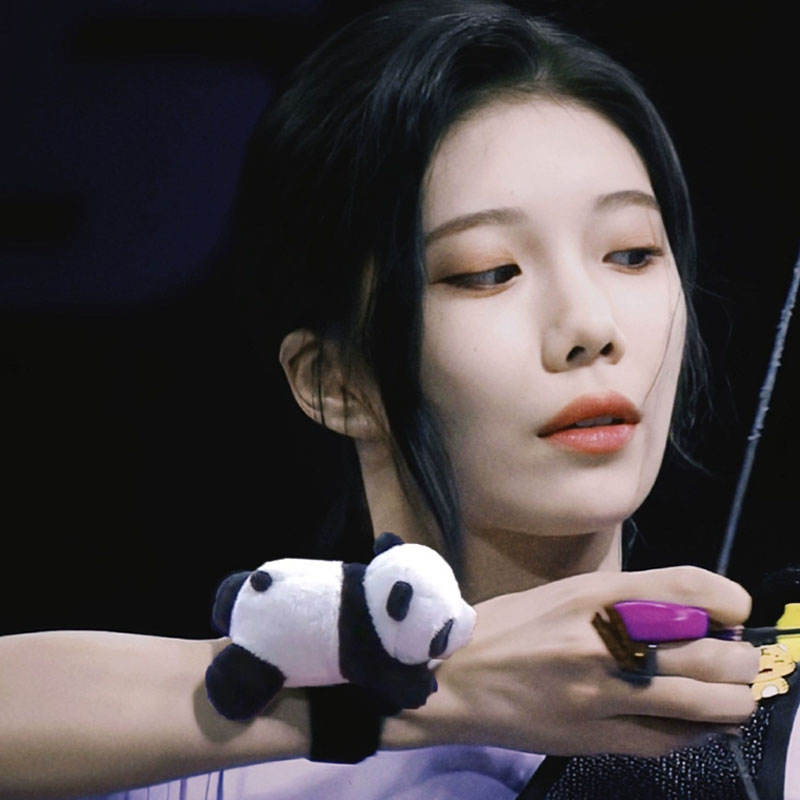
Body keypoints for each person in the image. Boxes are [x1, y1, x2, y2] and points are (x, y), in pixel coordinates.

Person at [1, 1, 796, 798]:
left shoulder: (769, 730)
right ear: (333, 380)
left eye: (631, 254)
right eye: (487, 272)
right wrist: (430, 687)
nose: (589, 326)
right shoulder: (197, 766)